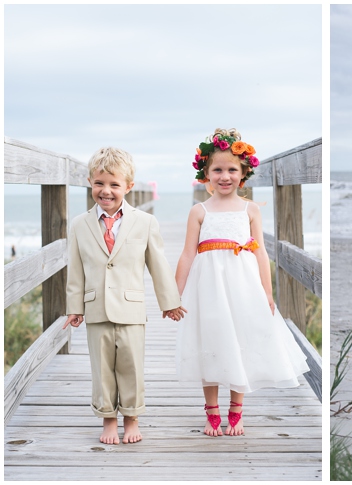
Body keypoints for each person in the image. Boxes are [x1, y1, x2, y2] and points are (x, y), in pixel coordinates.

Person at [175, 128, 309, 437]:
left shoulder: (250, 210)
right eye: (217, 170)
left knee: (240, 340)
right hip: (207, 287)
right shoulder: (199, 211)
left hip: (243, 284)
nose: (225, 176)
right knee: (209, 341)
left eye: (232, 169)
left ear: (244, 172)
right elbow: (186, 255)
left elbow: (260, 252)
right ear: (205, 174)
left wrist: (268, 292)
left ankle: (237, 407)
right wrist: (174, 294)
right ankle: (211, 409)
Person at [64, 147, 186, 445]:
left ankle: (131, 418)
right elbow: (76, 270)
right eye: (99, 183)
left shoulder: (144, 223)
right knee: (102, 367)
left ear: (129, 187)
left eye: (114, 184)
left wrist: (169, 302)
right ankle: (108, 418)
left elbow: (158, 264)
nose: (106, 191)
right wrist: (74, 307)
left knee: (131, 365)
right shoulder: (79, 225)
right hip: (95, 307)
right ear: (90, 182)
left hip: (131, 307)